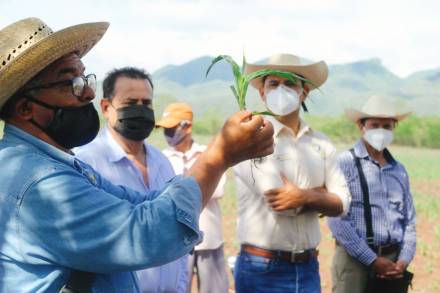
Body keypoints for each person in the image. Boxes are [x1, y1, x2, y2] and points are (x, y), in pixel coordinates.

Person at [0, 18, 274, 292]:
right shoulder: (39, 182)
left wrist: (215, 159)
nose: (88, 92)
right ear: (25, 108)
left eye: (84, 78)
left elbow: (141, 203)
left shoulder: (63, 166)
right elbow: (144, 233)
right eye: (71, 83)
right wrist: (218, 157)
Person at [232, 53, 351, 293]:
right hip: (261, 268)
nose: (281, 89)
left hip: (307, 267)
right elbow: (280, 200)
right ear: (262, 93)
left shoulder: (321, 143)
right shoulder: (248, 141)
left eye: (289, 83)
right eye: (273, 84)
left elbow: (343, 203)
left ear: (303, 91)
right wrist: (322, 196)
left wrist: (304, 196)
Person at [74, 68, 188, 293]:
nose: (140, 109)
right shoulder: (87, 162)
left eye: (146, 103)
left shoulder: (162, 161)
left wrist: (181, 283)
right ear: (106, 107)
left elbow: (176, 227)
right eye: (130, 102)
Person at [327, 95, 416, 293]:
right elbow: (337, 220)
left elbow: (409, 221)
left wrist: (404, 259)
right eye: (375, 125)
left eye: (387, 126)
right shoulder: (345, 163)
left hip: (393, 262)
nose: (381, 131)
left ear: (394, 128)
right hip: (353, 262)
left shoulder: (399, 170)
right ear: (361, 126)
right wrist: (372, 259)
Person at [156, 102, 229, 293]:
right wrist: (200, 181)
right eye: (166, 129)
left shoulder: (209, 154)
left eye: (171, 129)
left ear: (187, 127)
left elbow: (219, 189)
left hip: (209, 239)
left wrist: (181, 187)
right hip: (177, 242)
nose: (167, 134)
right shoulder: (161, 158)